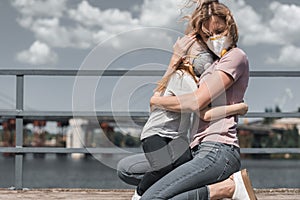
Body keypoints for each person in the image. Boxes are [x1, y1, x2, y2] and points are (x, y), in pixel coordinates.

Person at [118, 0, 257, 199]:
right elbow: (173, 99)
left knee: (153, 197)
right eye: (208, 35)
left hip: (217, 150)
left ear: (230, 26)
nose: (214, 38)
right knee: (126, 169)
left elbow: (195, 103)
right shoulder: (208, 66)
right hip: (194, 150)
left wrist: (156, 101)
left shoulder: (235, 57)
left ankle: (228, 188)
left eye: (219, 31)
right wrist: (175, 59)